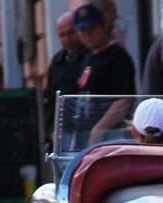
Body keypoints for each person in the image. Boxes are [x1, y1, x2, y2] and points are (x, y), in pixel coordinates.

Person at [74, 3, 136, 145]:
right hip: (85, 134)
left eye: (92, 28)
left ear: (103, 26)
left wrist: (99, 130)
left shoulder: (118, 55)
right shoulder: (87, 57)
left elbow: (125, 100)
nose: (88, 34)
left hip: (112, 136)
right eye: (83, 30)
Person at [44, 11, 88, 146]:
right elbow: (50, 100)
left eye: (71, 33)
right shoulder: (57, 62)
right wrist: (51, 132)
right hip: (64, 134)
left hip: (88, 131)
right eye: (62, 35)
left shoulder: (90, 57)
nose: (67, 40)